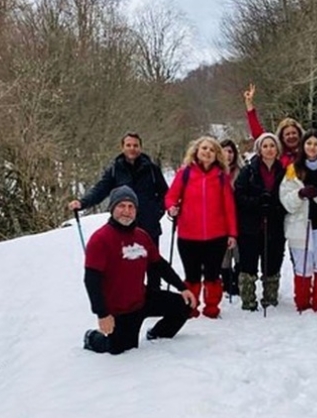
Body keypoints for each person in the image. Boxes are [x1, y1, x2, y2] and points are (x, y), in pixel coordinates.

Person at [82, 186, 195, 355]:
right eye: (121, 206)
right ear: (112, 209)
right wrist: (102, 314)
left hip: (141, 298)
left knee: (184, 305)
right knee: (120, 349)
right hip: (120, 309)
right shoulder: (100, 239)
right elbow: (91, 280)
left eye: (131, 207)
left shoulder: (141, 236)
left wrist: (182, 288)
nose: (127, 211)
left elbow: (159, 264)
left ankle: (157, 334)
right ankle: (92, 338)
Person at [69, 132, 169, 288]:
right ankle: (129, 293)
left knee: (153, 263)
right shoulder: (115, 169)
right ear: (122, 147)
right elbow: (100, 190)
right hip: (124, 226)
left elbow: (165, 194)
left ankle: (154, 293)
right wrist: (82, 203)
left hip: (149, 225)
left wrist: (157, 212)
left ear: (140, 148)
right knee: (127, 264)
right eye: (128, 145)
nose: (132, 148)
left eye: (135, 145)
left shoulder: (152, 169)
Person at [163, 137, 237, 319]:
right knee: (192, 275)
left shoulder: (221, 177)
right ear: (196, 151)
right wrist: (171, 207)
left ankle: (212, 307)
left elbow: (229, 207)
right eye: (204, 148)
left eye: (212, 150)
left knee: (213, 274)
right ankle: (191, 306)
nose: (207, 152)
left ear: (217, 155)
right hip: (188, 234)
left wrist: (232, 233)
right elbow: (171, 196)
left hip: (217, 235)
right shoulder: (185, 173)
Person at [280, 131, 317, 313]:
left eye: (316, 144)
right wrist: (299, 194)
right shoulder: (293, 169)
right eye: (309, 144)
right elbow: (285, 200)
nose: (312, 147)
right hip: (300, 225)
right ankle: (302, 304)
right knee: (303, 266)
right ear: (303, 146)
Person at [233, 132, 288, 311]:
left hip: (275, 225)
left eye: (272, 146)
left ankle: (270, 298)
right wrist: (257, 202)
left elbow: (289, 196)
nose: (269, 149)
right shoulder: (248, 171)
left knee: (272, 263)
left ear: (277, 149)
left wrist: (275, 206)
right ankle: (248, 300)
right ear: (259, 149)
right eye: (265, 146)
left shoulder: (284, 172)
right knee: (248, 264)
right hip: (250, 226)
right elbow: (239, 195)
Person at [243, 83, 303, 167]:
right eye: (287, 134)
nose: (291, 136)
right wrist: (249, 106)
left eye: (294, 133)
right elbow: (259, 135)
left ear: (299, 134)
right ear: (282, 137)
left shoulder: (308, 152)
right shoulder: (277, 154)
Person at [219, 138, 243, 298]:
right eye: (224, 151)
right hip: (220, 219)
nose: (228, 155)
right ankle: (226, 282)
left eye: (230, 151)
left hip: (240, 217)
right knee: (224, 254)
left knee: (238, 252)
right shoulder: (214, 172)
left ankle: (237, 281)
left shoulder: (241, 171)